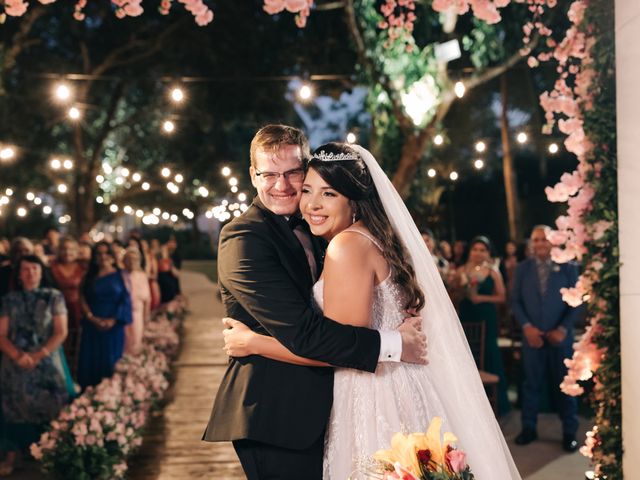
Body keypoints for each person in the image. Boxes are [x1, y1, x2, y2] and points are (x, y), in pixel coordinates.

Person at [222, 139, 521, 479]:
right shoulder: (371, 237)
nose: (311, 204)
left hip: (373, 394)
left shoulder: (346, 245)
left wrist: (252, 343)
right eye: (309, 190)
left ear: (355, 199)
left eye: (329, 193)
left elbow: (334, 347)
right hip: (392, 386)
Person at [202, 126, 427, 480]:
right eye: (270, 174)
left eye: (293, 173)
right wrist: (394, 343)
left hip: (333, 407)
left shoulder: (321, 227)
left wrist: (253, 342)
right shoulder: (243, 239)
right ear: (252, 176)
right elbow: (305, 333)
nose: (283, 185)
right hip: (277, 415)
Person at [0, 255, 74, 476]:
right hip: (15, 360)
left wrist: (38, 355)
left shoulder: (54, 297)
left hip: (46, 359)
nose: (30, 273)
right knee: (13, 404)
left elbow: (61, 332)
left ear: (41, 272)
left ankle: (51, 453)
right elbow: (1, 334)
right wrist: (18, 356)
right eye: (25, 269)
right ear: (19, 275)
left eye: (34, 268)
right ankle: (13, 453)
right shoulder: (9, 300)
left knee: (53, 404)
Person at [511, 225, 581, 452]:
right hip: (532, 338)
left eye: (545, 239)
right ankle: (528, 428)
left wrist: (562, 328)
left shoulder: (568, 267)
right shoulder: (522, 269)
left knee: (565, 386)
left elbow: (578, 301)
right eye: (536, 240)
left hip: (560, 338)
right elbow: (516, 301)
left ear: (554, 241)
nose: (540, 243)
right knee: (530, 385)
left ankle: (569, 432)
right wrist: (527, 327)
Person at [456, 236, 510, 415]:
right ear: (469, 252)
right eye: (475, 249)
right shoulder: (461, 271)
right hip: (466, 314)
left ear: (488, 253)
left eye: (482, 250)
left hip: (486, 315)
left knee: (488, 352)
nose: (478, 253)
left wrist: (481, 298)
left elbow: (502, 297)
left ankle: (495, 402)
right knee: (467, 351)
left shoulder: (492, 272)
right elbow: (453, 293)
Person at [76, 241, 132, 389]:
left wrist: (113, 320)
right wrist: (91, 317)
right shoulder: (88, 276)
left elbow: (125, 299)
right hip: (92, 325)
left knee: (110, 361)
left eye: (106, 253)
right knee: (91, 361)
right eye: (99, 253)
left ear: (112, 256)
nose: (103, 257)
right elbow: (82, 297)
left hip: (113, 325)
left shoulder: (121, 275)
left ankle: (110, 396)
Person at [50, 237, 87, 375]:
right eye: (64, 248)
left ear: (77, 251)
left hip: (77, 309)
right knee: (59, 342)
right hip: (56, 310)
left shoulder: (83, 267)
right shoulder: (51, 266)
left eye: (71, 249)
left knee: (77, 343)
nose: (67, 252)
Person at [122, 247, 150, 354]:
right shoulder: (120, 275)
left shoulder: (142, 276)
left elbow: (147, 299)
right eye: (129, 259)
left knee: (136, 341)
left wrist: (146, 316)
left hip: (137, 314)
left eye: (135, 259)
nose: (132, 262)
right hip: (123, 315)